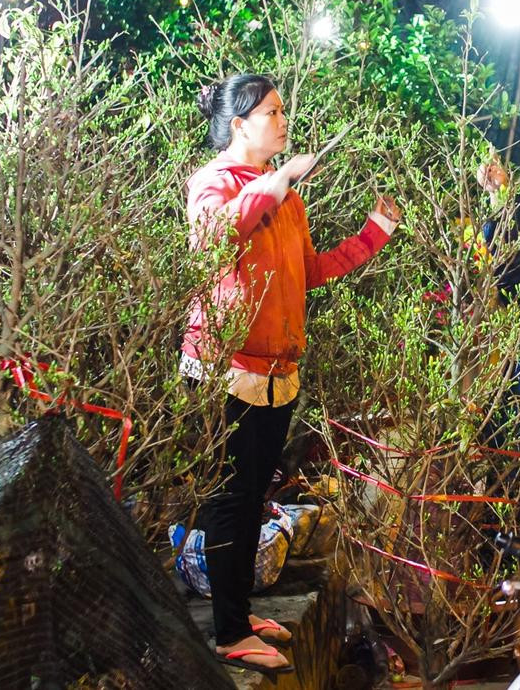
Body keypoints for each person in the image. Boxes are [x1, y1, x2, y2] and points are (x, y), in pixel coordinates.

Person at [182, 74, 400, 676]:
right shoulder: (214, 182)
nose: (282, 121)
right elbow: (214, 236)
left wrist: (373, 234)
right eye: (271, 112)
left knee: (254, 496)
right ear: (239, 125)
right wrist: (280, 180)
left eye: (282, 111)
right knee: (230, 499)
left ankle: (239, 611)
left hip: (279, 369)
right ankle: (228, 633)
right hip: (226, 369)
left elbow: (310, 272)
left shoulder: (287, 198)